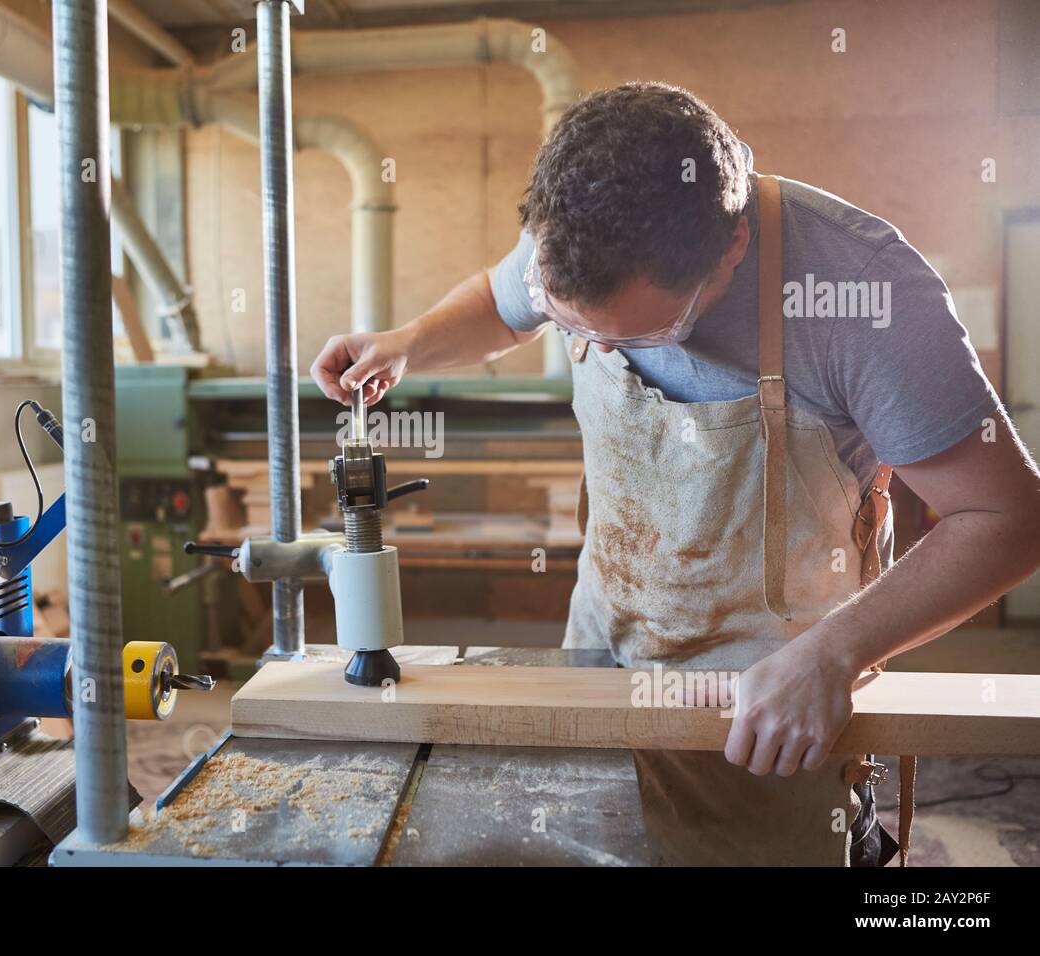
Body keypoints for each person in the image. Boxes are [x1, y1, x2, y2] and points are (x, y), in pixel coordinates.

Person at [309, 82, 1040, 865]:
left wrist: (834, 654)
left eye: (645, 333)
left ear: (730, 248)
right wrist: (410, 341)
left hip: (767, 707)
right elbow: (500, 304)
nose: (607, 351)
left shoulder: (865, 295)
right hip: (601, 663)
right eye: (571, 324)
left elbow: (1010, 520)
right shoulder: (574, 235)